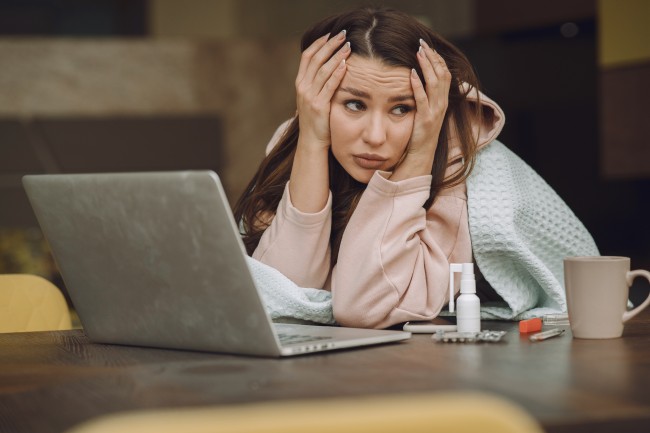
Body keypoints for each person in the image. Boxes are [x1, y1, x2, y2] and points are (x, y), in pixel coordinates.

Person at [234, 6, 505, 329]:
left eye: (402, 108)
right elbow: (282, 299)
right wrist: (312, 142)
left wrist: (420, 152)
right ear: (315, 98)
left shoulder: (457, 167)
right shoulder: (299, 146)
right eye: (354, 104)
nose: (375, 137)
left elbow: (365, 307)